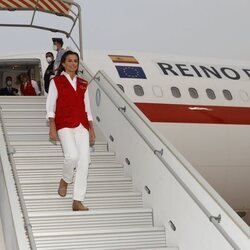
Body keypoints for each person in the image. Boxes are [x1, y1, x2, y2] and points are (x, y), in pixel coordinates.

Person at [46, 50, 96, 211]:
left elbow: (87, 108)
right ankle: (65, 180)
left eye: (75, 61)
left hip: (82, 125)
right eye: (69, 61)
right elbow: (50, 106)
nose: (73, 63)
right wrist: (52, 127)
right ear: (63, 63)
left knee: (85, 162)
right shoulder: (56, 81)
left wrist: (92, 130)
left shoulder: (83, 83)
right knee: (72, 156)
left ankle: (77, 200)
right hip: (64, 124)